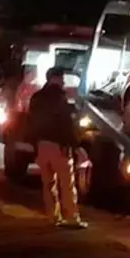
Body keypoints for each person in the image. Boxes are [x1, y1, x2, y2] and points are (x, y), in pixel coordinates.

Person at [28, 66, 87, 229]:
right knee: (66, 184)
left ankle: (53, 217)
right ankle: (72, 218)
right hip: (58, 146)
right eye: (61, 78)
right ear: (55, 78)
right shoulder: (60, 98)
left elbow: (30, 123)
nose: (63, 81)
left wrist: (35, 145)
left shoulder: (36, 97)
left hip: (41, 145)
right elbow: (66, 124)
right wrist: (76, 146)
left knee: (48, 184)